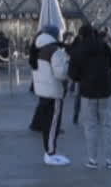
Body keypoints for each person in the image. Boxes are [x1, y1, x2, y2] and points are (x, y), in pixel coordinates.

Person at [69, 23, 111, 170]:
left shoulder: (78, 50)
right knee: (107, 125)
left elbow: (73, 74)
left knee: (90, 127)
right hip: (105, 90)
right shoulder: (103, 45)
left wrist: (82, 78)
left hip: (88, 92)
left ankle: (92, 160)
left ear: (81, 35)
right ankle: (110, 160)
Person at [32, 25, 71, 166]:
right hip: (54, 91)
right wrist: (67, 64)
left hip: (43, 90)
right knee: (53, 124)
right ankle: (50, 153)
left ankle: (49, 150)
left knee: (47, 123)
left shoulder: (38, 48)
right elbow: (60, 73)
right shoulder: (54, 50)